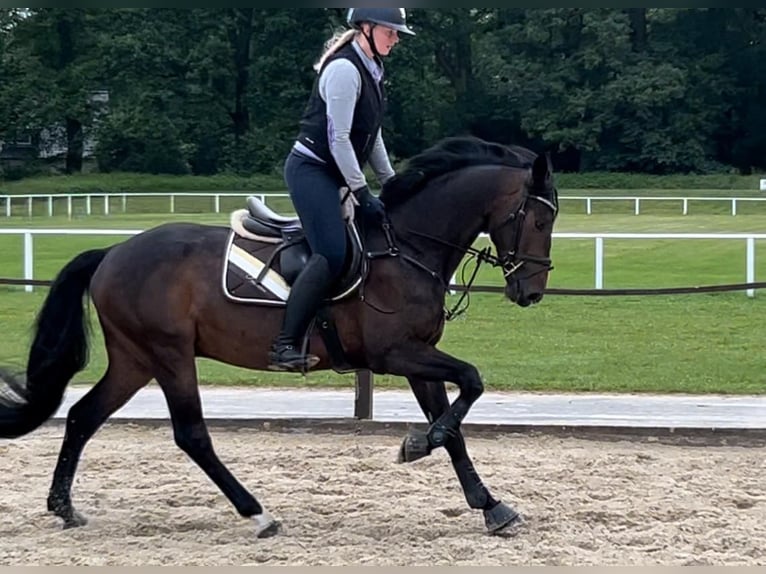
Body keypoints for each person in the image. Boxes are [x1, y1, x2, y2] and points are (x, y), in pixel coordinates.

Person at [268, 8, 416, 372]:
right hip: (311, 170)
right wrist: (362, 191)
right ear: (366, 28)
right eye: (390, 31)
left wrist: (390, 181)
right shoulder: (345, 70)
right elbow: (339, 138)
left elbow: (372, 135)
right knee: (332, 254)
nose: (395, 38)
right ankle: (285, 344)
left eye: (397, 33)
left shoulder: (372, 70)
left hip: (334, 172)